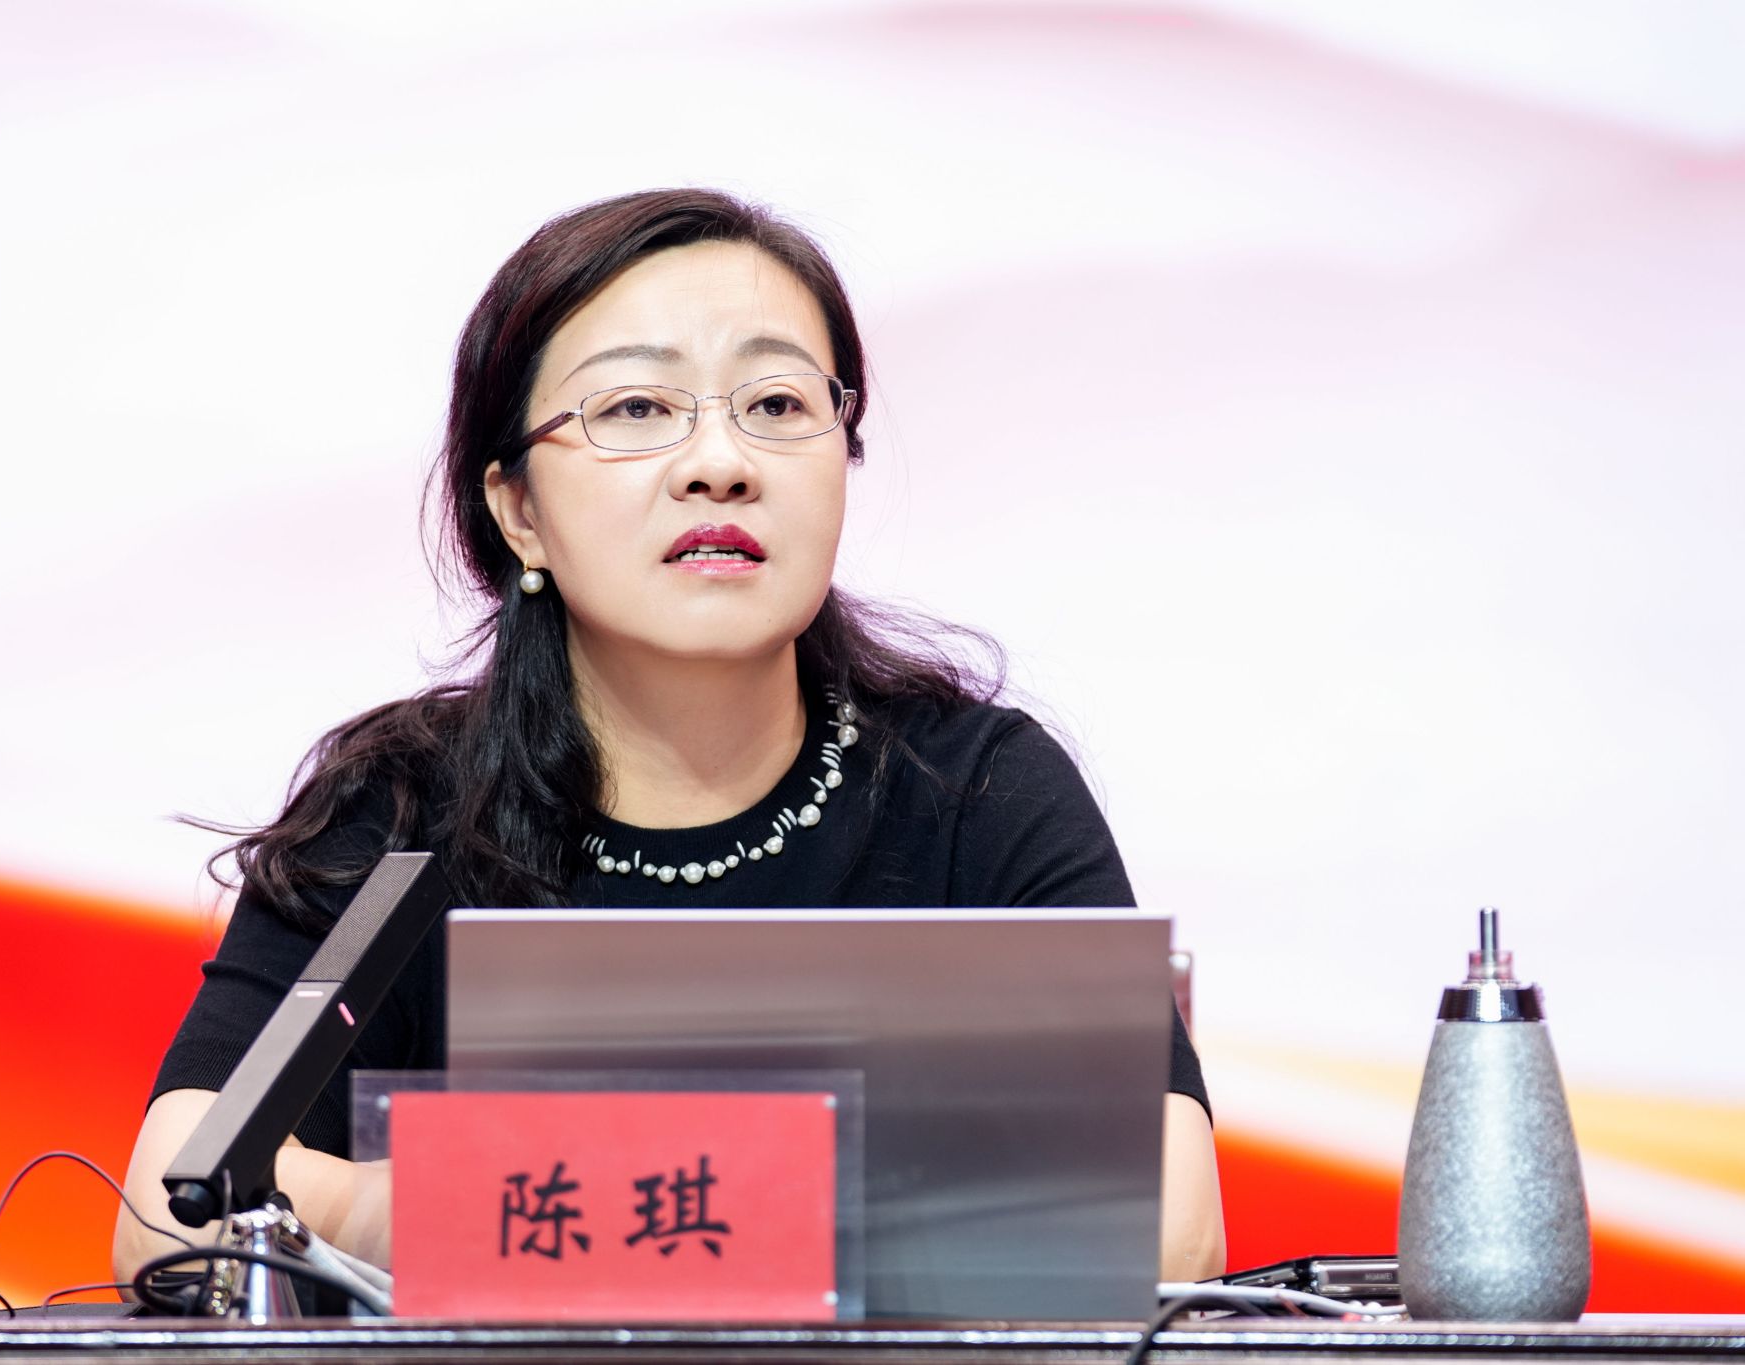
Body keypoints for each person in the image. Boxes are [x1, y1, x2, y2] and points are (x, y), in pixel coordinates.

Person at [112, 188, 1226, 1287]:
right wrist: (428, 1206)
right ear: (518, 510)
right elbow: (170, 1214)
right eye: (638, 408)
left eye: (777, 403)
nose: (719, 463)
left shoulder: (977, 791)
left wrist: (528, 1203)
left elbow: (1167, 1229)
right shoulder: (400, 811)